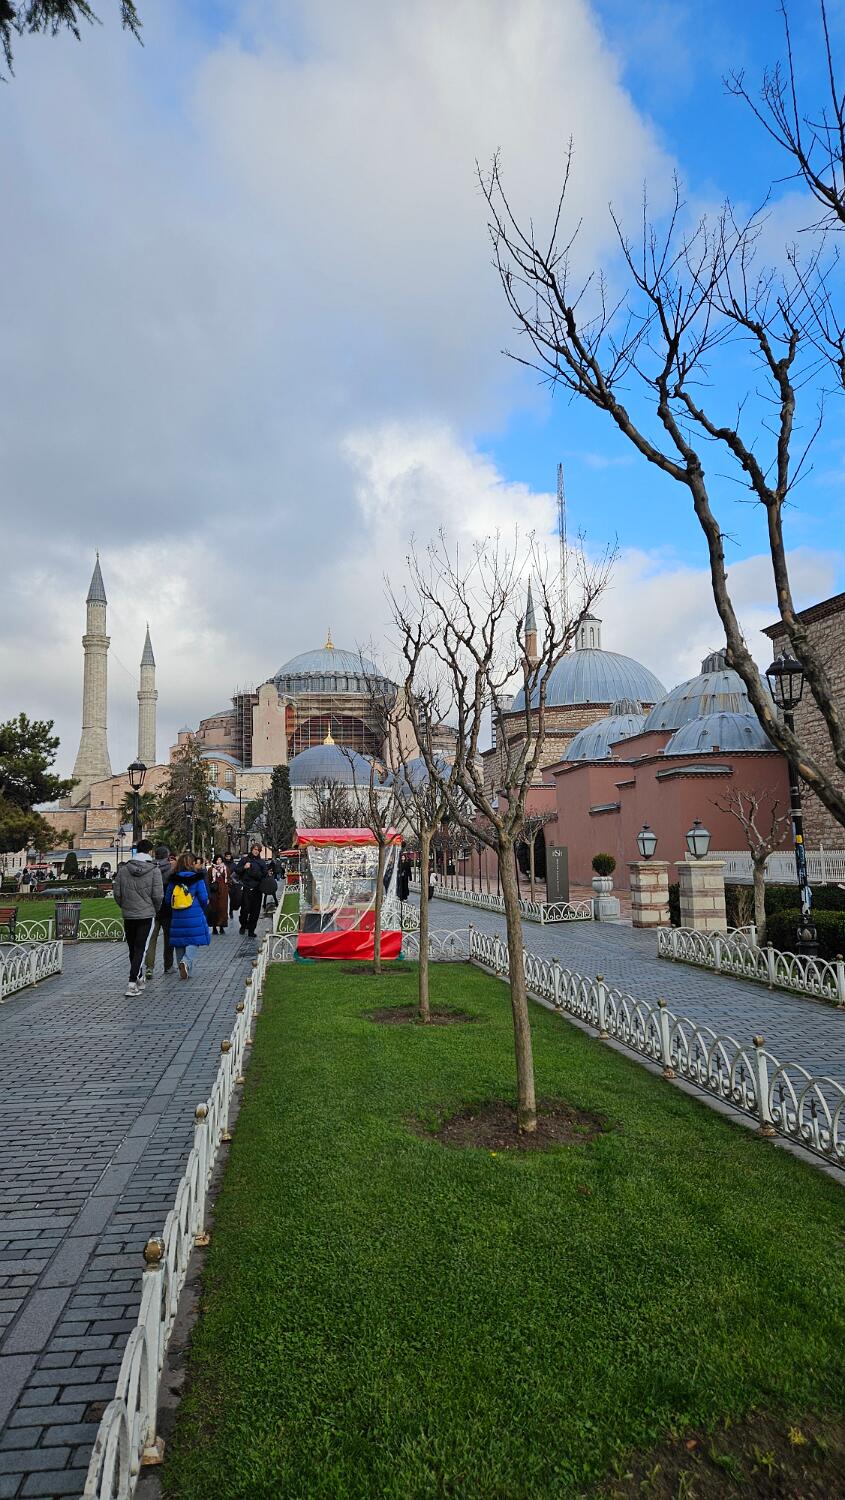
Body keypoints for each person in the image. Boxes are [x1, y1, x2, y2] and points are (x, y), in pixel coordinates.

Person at [113, 838, 164, 998]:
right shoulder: (154, 871)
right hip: (146, 914)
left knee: (132, 948)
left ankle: (139, 977)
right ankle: (132, 983)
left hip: (129, 913)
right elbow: (158, 895)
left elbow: (117, 893)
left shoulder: (123, 870)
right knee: (141, 948)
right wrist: (155, 909)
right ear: (150, 851)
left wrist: (125, 905)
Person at [166, 852, 210, 979]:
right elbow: (203, 897)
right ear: (192, 864)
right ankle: (185, 961)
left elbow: (168, 899)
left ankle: (183, 969)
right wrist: (203, 907)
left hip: (177, 915)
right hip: (194, 913)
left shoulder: (173, 880)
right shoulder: (197, 878)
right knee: (194, 940)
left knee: (179, 941)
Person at [145, 845, 176, 978]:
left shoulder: (149, 868)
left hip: (152, 907)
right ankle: (168, 966)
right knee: (168, 938)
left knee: (151, 939)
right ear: (167, 856)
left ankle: (149, 967)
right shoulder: (171, 869)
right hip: (167, 907)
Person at [235, 843, 268, 938]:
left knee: (255, 910)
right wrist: (244, 867)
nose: (256, 851)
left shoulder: (261, 862)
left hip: (257, 889)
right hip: (246, 887)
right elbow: (237, 870)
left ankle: (251, 930)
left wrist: (261, 873)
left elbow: (264, 874)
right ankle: (243, 925)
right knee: (245, 909)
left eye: (258, 850)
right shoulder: (245, 860)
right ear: (252, 849)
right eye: (255, 849)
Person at [207, 854, 230, 935]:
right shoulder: (211, 869)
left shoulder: (225, 868)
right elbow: (208, 880)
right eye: (217, 860)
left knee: (222, 909)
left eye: (220, 859)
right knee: (214, 909)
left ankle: (222, 926)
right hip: (214, 892)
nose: (218, 861)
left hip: (223, 892)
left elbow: (228, 879)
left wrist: (227, 887)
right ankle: (214, 927)